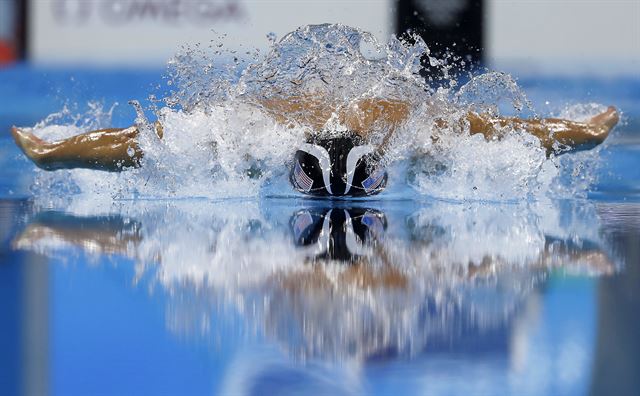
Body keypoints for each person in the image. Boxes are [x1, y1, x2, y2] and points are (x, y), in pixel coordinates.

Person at [11, 97, 619, 197]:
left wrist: (579, 134)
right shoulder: (254, 133)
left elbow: (503, 130)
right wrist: (57, 151)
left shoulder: (415, 132)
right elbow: (148, 141)